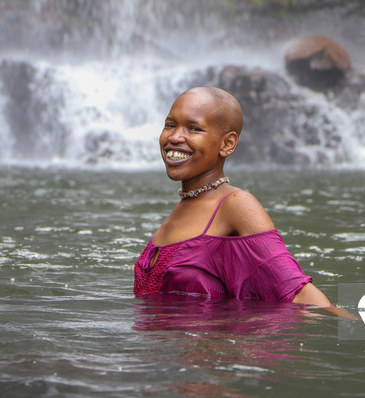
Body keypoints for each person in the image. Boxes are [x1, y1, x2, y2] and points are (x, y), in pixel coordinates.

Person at [134, 86, 332, 308]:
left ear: (227, 144)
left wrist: (353, 328)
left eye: (194, 128)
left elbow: (298, 292)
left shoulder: (236, 205)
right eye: (170, 125)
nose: (175, 136)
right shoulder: (182, 205)